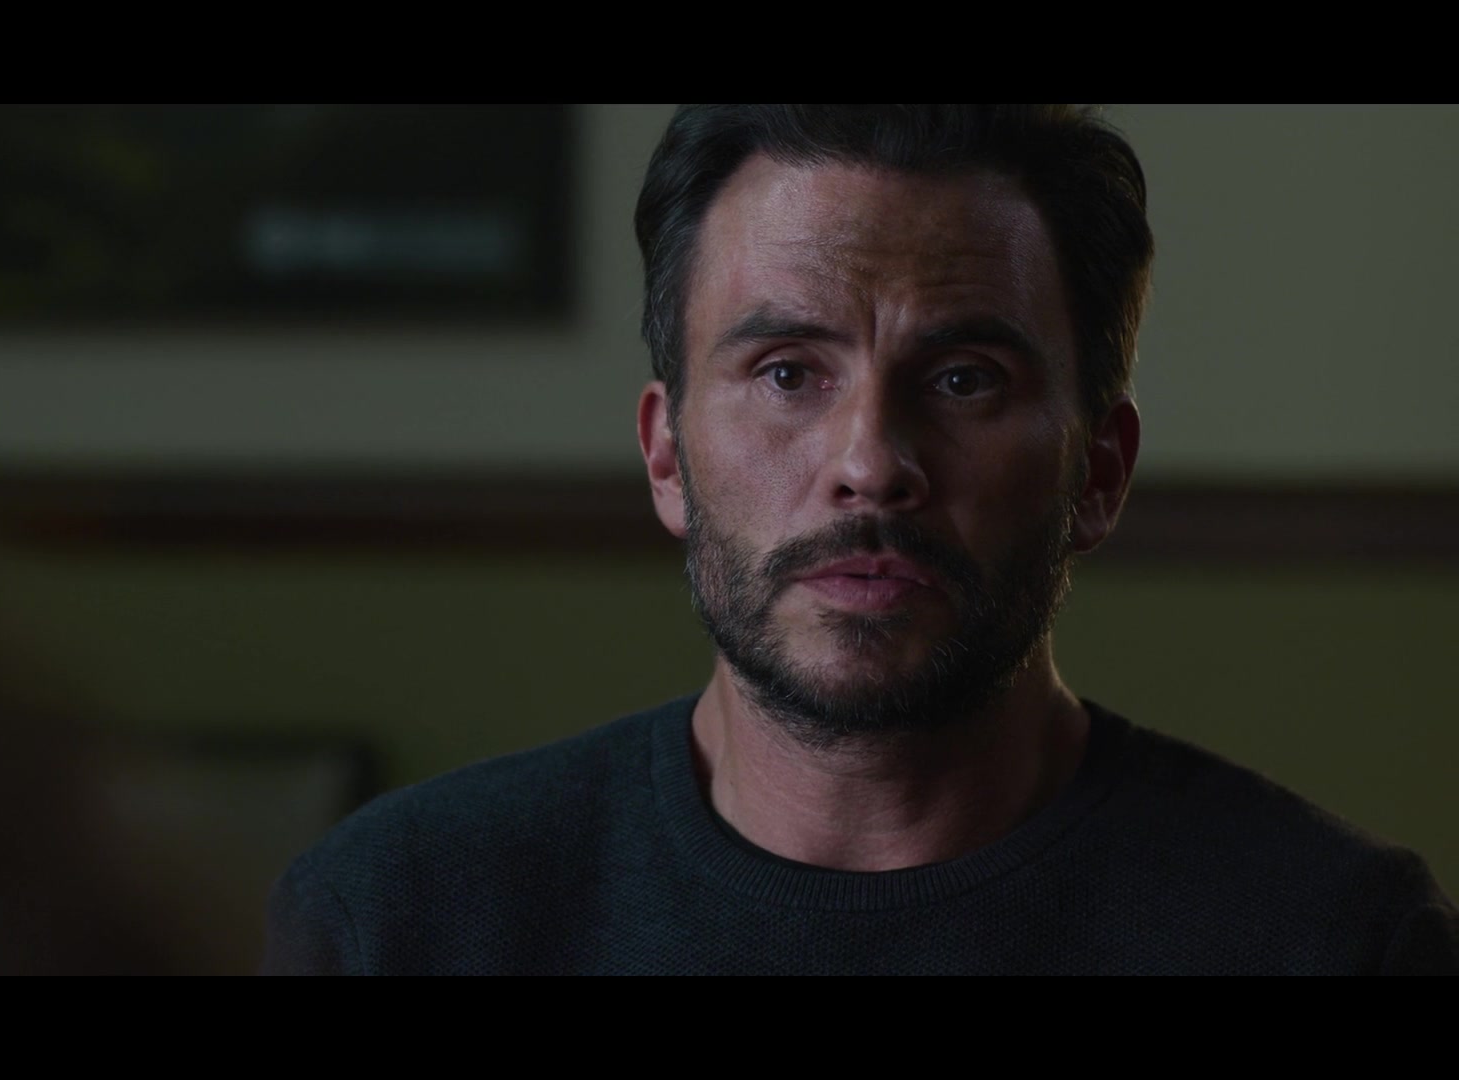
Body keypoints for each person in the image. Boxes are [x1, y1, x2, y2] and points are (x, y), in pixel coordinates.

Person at [261, 105, 1459, 975]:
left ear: (1098, 471)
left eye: (965, 378)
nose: (870, 461)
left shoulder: (1332, 937)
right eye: (788, 372)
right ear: (667, 456)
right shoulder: (399, 920)